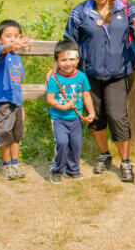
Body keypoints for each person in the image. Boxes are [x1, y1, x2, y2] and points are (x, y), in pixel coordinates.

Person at [64, 0, 135, 182]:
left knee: (118, 117)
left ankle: (126, 162)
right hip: (89, 75)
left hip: (118, 74)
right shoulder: (79, 12)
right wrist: (60, 70)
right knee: (95, 116)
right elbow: (68, 42)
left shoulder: (126, 8)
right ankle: (104, 154)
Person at [46, 39, 96, 183]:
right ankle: (57, 170)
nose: (68, 63)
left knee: (75, 145)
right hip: (59, 118)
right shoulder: (54, 79)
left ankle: (72, 170)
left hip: (75, 119)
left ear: (78, 59)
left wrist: (91, 112)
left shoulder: (81, 76)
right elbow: (50, 99)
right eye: (63, 60)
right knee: (61, 143)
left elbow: (86, 95)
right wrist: (63, 107)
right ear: (56, 61)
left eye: (72, 59)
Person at [0, 20, 31, 180]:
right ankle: (6, 166)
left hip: (16, 102)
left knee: (16, 136)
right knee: (4, 135)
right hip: (1, 101)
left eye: (16, 36)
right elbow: (5, 49)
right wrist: (11, 45)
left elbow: (18, 84)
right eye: (8, 36)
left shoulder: (17, 60)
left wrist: (22, 107)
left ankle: (15, 163)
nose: (13, 39)